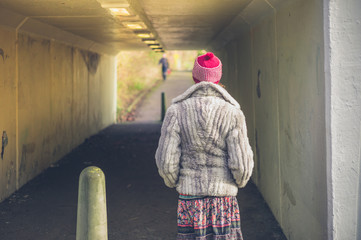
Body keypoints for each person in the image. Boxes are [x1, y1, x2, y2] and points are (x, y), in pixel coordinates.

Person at [155, 52, 254, 240]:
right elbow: (241, 164)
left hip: (190, 199)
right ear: (219, 77)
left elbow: (166, 160)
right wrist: (238, 182)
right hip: (223, 200)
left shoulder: (176, 111)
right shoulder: (232, 113)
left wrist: (174, 182)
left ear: (195, 77)